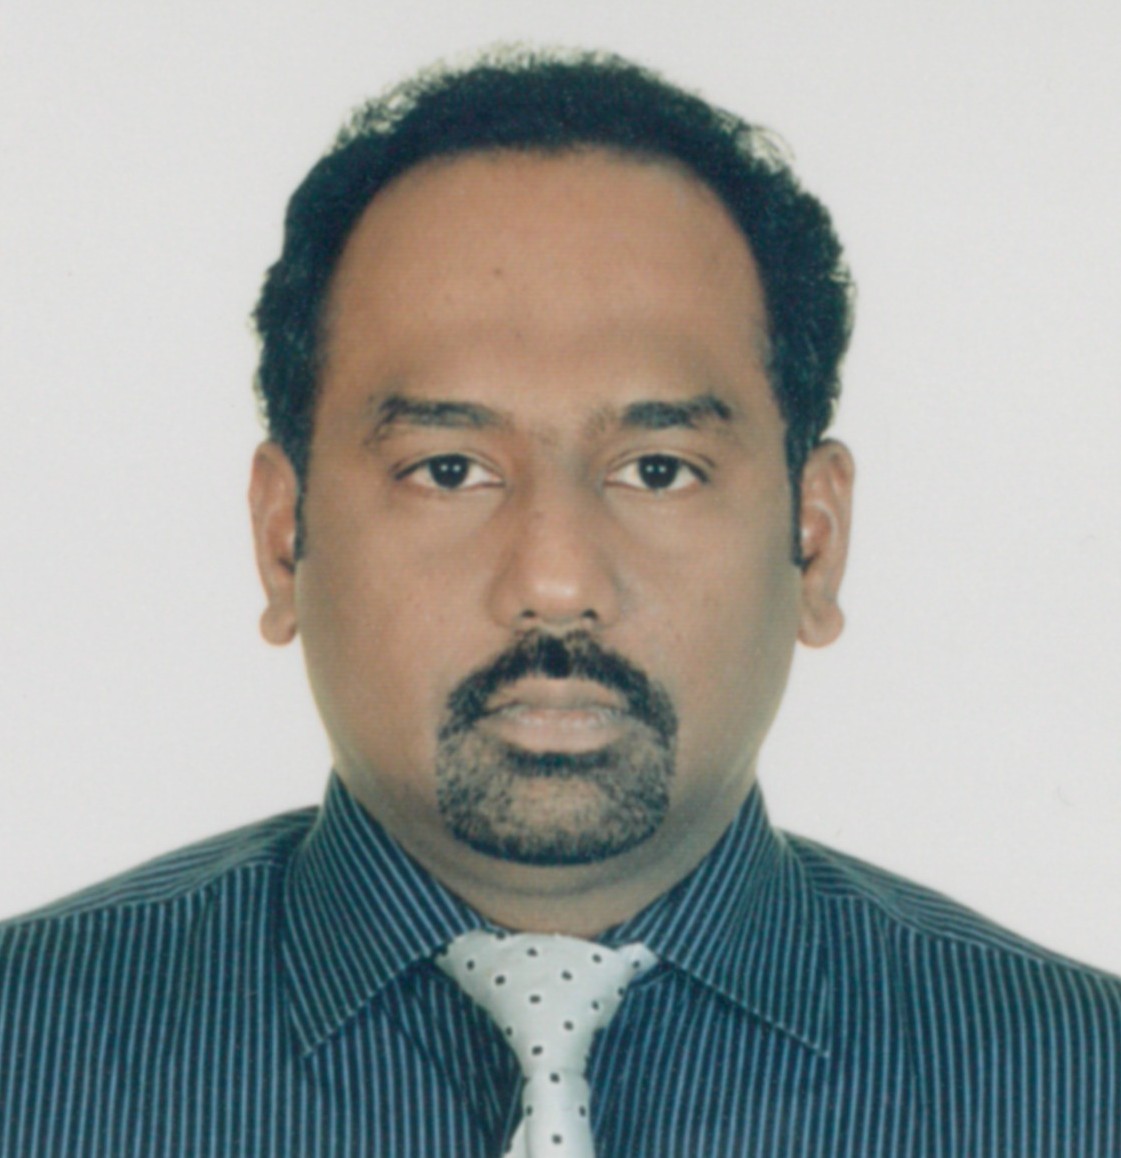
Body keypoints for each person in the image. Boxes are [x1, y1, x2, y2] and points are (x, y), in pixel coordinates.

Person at [1, 46, 1118, 1157]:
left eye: (657, 470)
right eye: (449, 470)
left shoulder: (1080, 1084)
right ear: (282, 535)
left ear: (814, 539)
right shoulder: (24, 1051)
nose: (555, 582)